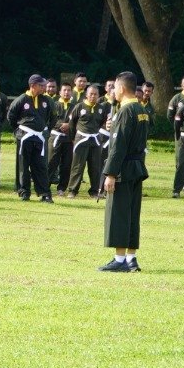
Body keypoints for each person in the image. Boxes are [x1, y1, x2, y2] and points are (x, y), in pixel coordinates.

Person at [101, 71, 149, 272]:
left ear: (121, 88)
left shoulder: (125, 111)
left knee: (119, 213)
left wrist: (111, 174)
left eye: (114, 87)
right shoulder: (141, 109)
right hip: (137, 167)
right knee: (132, 214)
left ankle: (119, 259)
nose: (113, 91)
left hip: (124, 168)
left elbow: (118, 146)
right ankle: (131, 258)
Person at [6, 74, 54, 202]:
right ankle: (24, 192)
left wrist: (46, 131)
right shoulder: (22, 99)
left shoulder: (46, 100)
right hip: (25, 137)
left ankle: (45, 193)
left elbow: (53, 117)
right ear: (33, 85)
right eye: (41, 85)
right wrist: (18, 130)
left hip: (39, 137)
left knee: (41, 166)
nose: (44, 87)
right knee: (23, 165)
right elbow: (11, 116)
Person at [67, 84, 111, 198]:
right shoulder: (79, 107)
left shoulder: (101, 108)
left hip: (95, 140)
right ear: (86, 95)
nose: (93, 96)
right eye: (91, 94)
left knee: (95, 166)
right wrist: (73, 138)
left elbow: (101, 122)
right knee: (77, 166)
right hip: (81, 139)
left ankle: (94, 191)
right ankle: (72, 191)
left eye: (95, 94)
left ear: (98, 95)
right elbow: (72, 123)